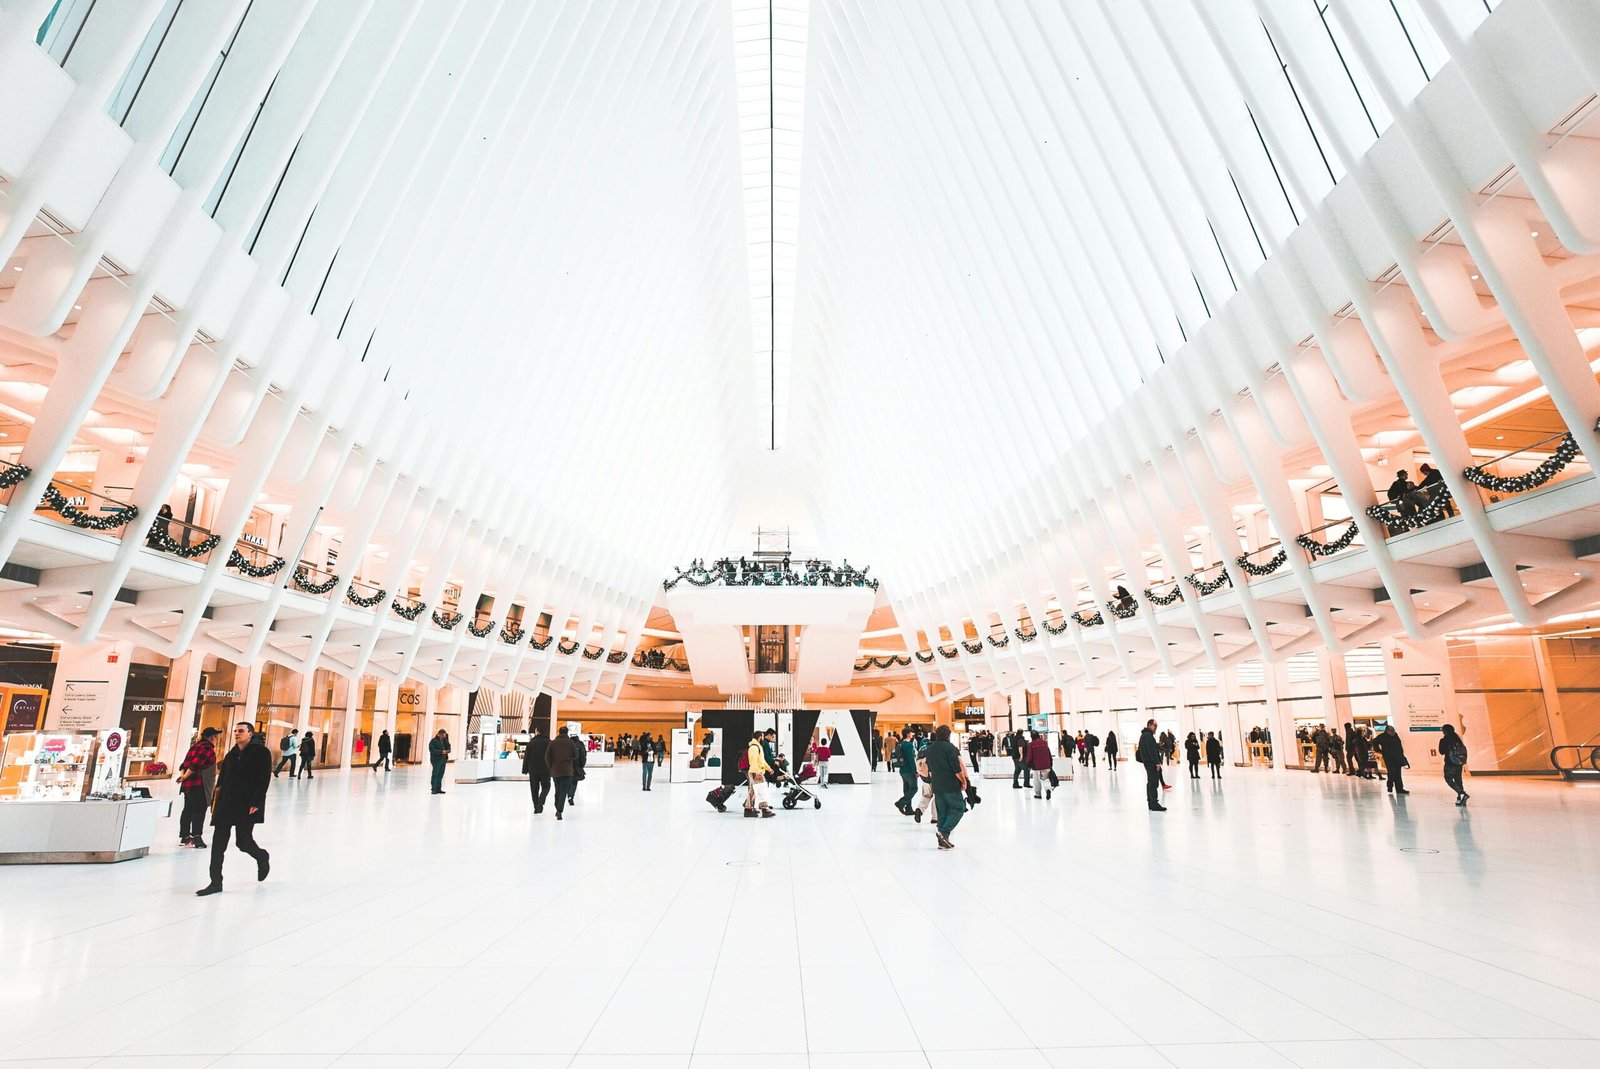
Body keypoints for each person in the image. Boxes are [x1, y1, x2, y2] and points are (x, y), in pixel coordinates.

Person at [195, 722, 271, 896]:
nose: (237, 733)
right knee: (218, 844)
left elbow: (263, 778)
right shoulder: (232, 753)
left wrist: (256, 802)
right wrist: (215, 800)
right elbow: (222, 779)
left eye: (241, 731)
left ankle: (262, 856)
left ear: (250, 734)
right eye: (235, 730)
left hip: (247, 803)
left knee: (243, 842)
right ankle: (215, 882)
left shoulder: (261, 752)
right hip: (226, 803)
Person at [924, 725, 968, 850]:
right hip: (951, 785)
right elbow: (956, 769)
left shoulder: (930, 749)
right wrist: (964, 781)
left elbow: (930, 770)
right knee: (959, 808)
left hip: (937, 785)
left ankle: (942, 841)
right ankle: (944, 833)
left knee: (942, 812)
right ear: (948, 735)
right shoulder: (950, 748)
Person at [176, 727, 220, 848]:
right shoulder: (207, 748)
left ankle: (185, 836)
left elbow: (183, 765)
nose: (217, 739)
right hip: (199, 784)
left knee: (188, 810)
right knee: (199, 811)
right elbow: (195, 765)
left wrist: (183, 776)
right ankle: (197, 838)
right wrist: (184, 777)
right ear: (212, 737)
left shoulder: (195, 746)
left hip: (189, 785)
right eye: (216, 736)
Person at [546, 726, 578, 819]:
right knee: (563, 791)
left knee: (557, 790)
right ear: (567, 732)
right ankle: (559, 810)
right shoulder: (571, 743)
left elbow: (547, 757)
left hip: (555, 771)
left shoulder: (553, 743)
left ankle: (557, 807)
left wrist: (551, 767)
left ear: (559, 732)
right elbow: (576, 755)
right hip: (567, 771)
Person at [1137, 719, 1165, 812]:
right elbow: (1151, 751)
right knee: (1153, 783)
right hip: (1151, 762)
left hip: (1147, 762)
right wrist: (1157, 762)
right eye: (1154, 725)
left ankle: (1151, 802)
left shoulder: (1144, 735)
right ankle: (1154, 803)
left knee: (1150, 782)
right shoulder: (1148, 736)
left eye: (1156, 726)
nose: (1156, 727)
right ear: (1149, 725)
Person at [744, 731, 774, 818]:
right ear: (760, 737)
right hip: (756, 772)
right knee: (762, 790)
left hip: (755, 771)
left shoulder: (757, 746)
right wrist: (757, 772)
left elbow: (761, 760)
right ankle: (764, 809)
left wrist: (768, 768)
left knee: (752, 791)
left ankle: (748, 809)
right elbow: (753, 761)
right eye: (763, 737)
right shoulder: (754, 747)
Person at [1374, 724, 1409, 795]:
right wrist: (1378, 750)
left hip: (1398, 757)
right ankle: (1389, 786)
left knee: (1398, 774)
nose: (1393, 732)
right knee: (1391, 772)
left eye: (1393, 730)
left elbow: (1399, 746)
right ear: (1387, 731)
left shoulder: (1396, 736)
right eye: (1391, 731)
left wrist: (1401, 755)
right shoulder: (1382, 736)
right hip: (1389, 758)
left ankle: (1399, 789)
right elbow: (1374, 742)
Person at [523, 724, 551, 812]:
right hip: (546, 769)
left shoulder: (531, 743)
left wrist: (525, 769)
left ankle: (536, 806)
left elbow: (526, 757)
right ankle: (541, 801)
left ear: (537, 732)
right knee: (546, 786)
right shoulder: (549, 742)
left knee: (534, 788)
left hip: (533, 769)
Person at [1440, 723, 1469, 806]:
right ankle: (1460, 798)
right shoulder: (1457, 739)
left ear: (1445, 731)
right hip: (1459, 763)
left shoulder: (1444, 740)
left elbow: (1441, 751)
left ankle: (1462, 793)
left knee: (1448, 778)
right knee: (1458, 779)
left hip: (1450, 763)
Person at [895, 729, 920, 815]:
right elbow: (911, 759)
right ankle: (901, 803)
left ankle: (908, 809)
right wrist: (915, 771)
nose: (912, 734)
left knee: (907, 789)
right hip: (909, 770)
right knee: (914, 788)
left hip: (902, 770)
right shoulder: (909, 745)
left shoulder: (901, 743)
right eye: (911, 733)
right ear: (908, 734)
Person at [1027, 730, 1054, 799]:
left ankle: (1038, 794)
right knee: (1046, 779)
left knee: (1036, 781)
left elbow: (1030, 755)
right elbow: (1048, 753)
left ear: (1031, 736)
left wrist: (1028, 764)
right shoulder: (1044, 742)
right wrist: (1050, 762)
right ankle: (1048, 789)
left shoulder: (1031, 744)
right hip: (1046, 764)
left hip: (1036, 766)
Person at [428, 729, 450, 794]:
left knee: (441, 774)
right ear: (439, 734)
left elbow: (448, 746)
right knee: (435, 774)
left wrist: (448, 749)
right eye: (442, 735)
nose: (443, 737)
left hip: (443, 759)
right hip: (436, 760)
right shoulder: (433, 741)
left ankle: (438, 788)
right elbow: (432, 750)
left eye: (444, 735)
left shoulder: (445, 740)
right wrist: (441, 752)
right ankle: (433, 789)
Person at [569, 734, 588, 805]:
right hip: (576, 766)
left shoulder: (568, 745)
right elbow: (583, 755)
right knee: (574, 782)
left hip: (567, 766)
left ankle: (568, 794)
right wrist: (582, 765)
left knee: (568, 781)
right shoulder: (580, 745)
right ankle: (571, 795)